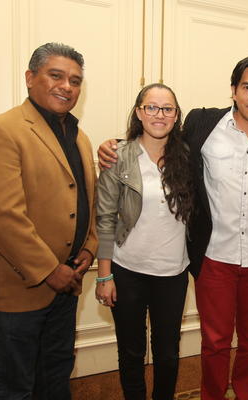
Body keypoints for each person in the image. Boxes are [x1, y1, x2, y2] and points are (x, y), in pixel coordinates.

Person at [98, 56, 248, 400]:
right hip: (215, 256)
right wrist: (113, 146)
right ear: (234, 91)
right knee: (215, 342)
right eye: (247, 87)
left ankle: (246, 395)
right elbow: (157, 137)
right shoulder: (203, 124)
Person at [0, 42, 98, 399]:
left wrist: (88, 248)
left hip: (68, 283)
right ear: (30, 78)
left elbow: (87, 199)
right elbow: (1, 215)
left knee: (55, 378)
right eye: (55, 76)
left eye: (75, 80)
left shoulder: (79, 137)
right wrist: (48, 269)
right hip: (19, 288)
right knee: (14, 387)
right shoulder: (1, 130)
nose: (67, 87)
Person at [95, 83, 193, 399]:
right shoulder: (118, 157)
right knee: (131, 353)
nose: (159, 115)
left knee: (167, 354)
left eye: (167, 109)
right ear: (139, 112)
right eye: (152, 107)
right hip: (127, 271)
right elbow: (105, 219)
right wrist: (104, 274)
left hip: (172, 274)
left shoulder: (188, 157)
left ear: (176, 116)